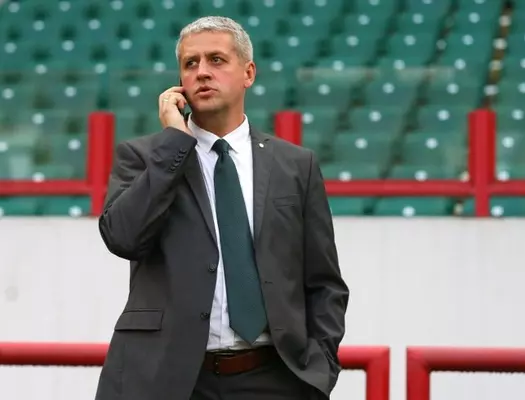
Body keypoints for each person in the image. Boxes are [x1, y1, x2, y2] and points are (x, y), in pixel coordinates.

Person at [94, 16, 349, 400]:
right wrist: (173, 144)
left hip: (273, 380)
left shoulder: (296, 165)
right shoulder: (144, 157)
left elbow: (323, 281)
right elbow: (122, 238)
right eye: (190, 63)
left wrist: (320, 369)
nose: (202, 72)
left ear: (248, 73)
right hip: (165, 380)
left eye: (216, 60)